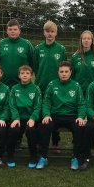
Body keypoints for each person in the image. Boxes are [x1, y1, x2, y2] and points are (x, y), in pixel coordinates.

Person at [39, 61, 88, 171]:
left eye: (66, 71)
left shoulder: (76, 85)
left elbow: (81, 104)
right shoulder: (52, 84)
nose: (64, 74)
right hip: (55, 115)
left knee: (80, 127)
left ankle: (75, 157)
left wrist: (80, 116)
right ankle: (43, 157)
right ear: (58, 73)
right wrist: (46, 115)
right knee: (45, 126)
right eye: (61, 72)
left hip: (72, 116)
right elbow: (46, 102)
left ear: (71, 72)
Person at [33, 20, 66, 152]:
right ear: (44, 33)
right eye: (47, 31)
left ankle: (55, 143)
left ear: (56, 33)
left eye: (52, 31)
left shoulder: (61, 49)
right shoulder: (38, 49)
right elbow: (35, 66)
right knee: (40, 114)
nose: (50, 34)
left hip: (56, 88)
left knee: (55, 114)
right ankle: (39, 142)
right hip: (41, 86)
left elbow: (64, 68)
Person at [6, 65, 42, 168]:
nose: (25, 75)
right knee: (13, 130)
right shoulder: (14, 88)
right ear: (19, 75)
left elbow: (38, 106)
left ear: (31, 76)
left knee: (30, 131)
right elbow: (12, 105)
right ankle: (10, 155)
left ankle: (33, 156)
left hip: (30, 118)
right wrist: (16, 118)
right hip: (18, 118)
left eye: (27, 73)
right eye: (22, 73)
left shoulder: (36, 89)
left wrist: (33, 118)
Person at [0, 19, 35, 88]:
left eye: (15, 29)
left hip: (22, 84)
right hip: (3, 83)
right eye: (10, 29)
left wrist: (27, 76)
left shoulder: (27, 44)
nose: (12, 31)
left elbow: (32, 63)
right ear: (7, 31)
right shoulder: (1, 44)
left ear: (19, 31)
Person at [71, 30, 94, 94]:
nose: (86, 40)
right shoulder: (75, 57)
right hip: (78, 91)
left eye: (88, 38)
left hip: (93, 91)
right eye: (84, 38)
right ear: (81, 41)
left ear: (92, 41)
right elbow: (71, 75)